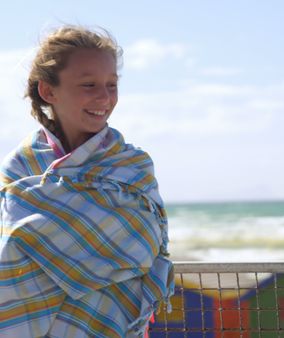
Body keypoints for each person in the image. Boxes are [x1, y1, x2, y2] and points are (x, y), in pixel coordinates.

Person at [0, 26, 173, 337]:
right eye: (89, 84)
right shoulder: (19, 167)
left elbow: (143, 250)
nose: (104, 97)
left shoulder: (132, 167)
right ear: (48, 91)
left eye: (112, 85)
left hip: (110, 324)